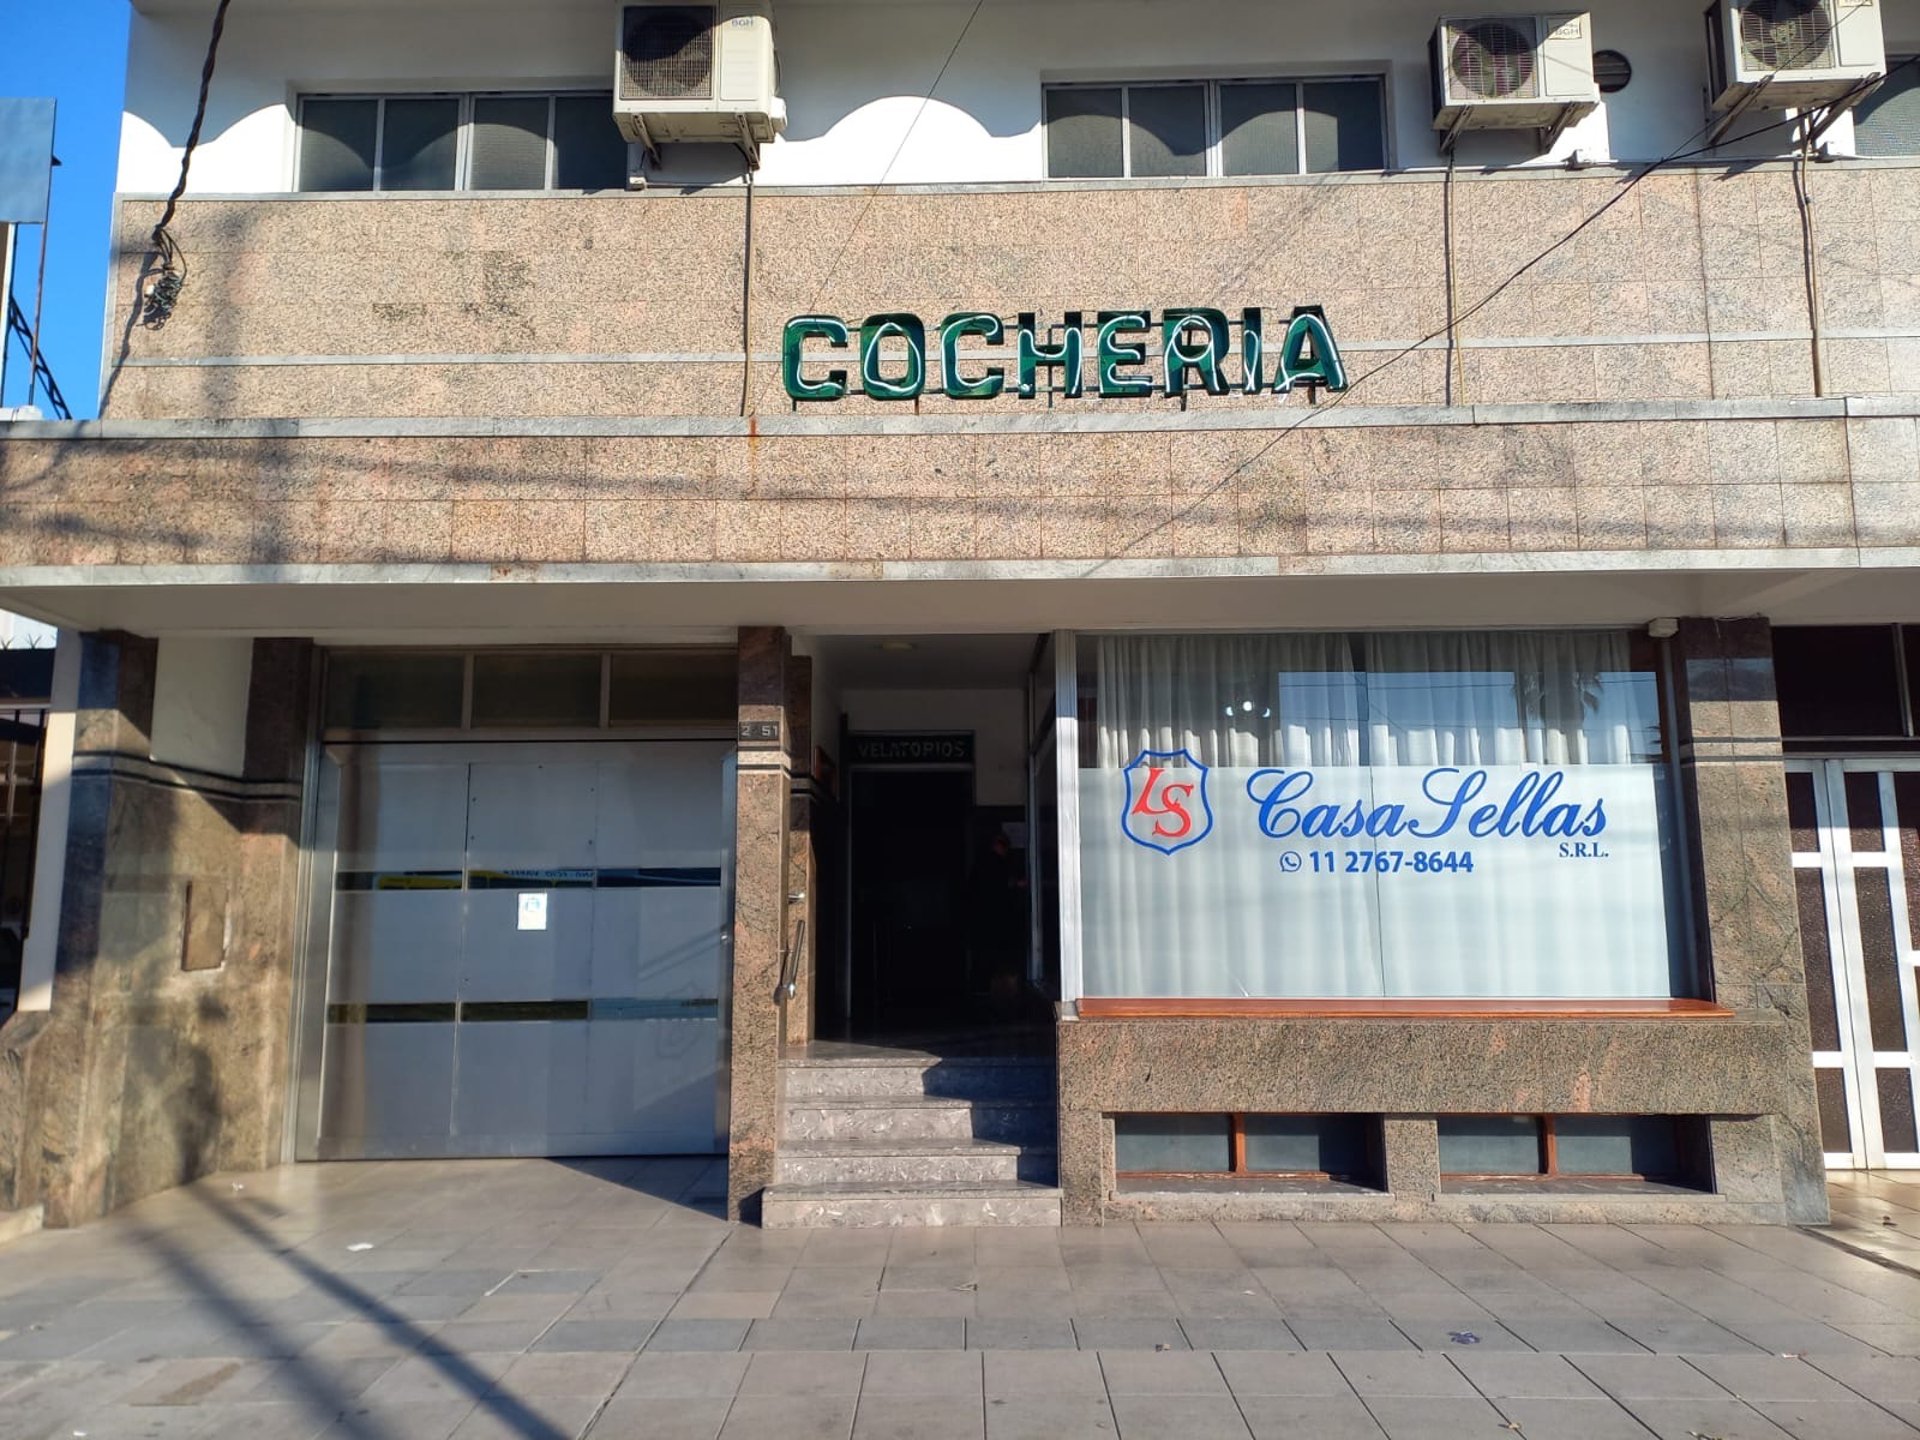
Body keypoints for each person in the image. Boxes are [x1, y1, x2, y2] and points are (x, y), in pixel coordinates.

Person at [966, 829, 1028, 1016]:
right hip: (997, 922)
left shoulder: (983, 864)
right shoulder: (994, 865)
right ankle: (997, 996)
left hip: (988, 923)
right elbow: (998, 888)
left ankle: (988, 994)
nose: (1005, 849)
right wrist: (1015, 886)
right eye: (1003, 845)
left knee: (990, 959)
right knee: (998, 960)